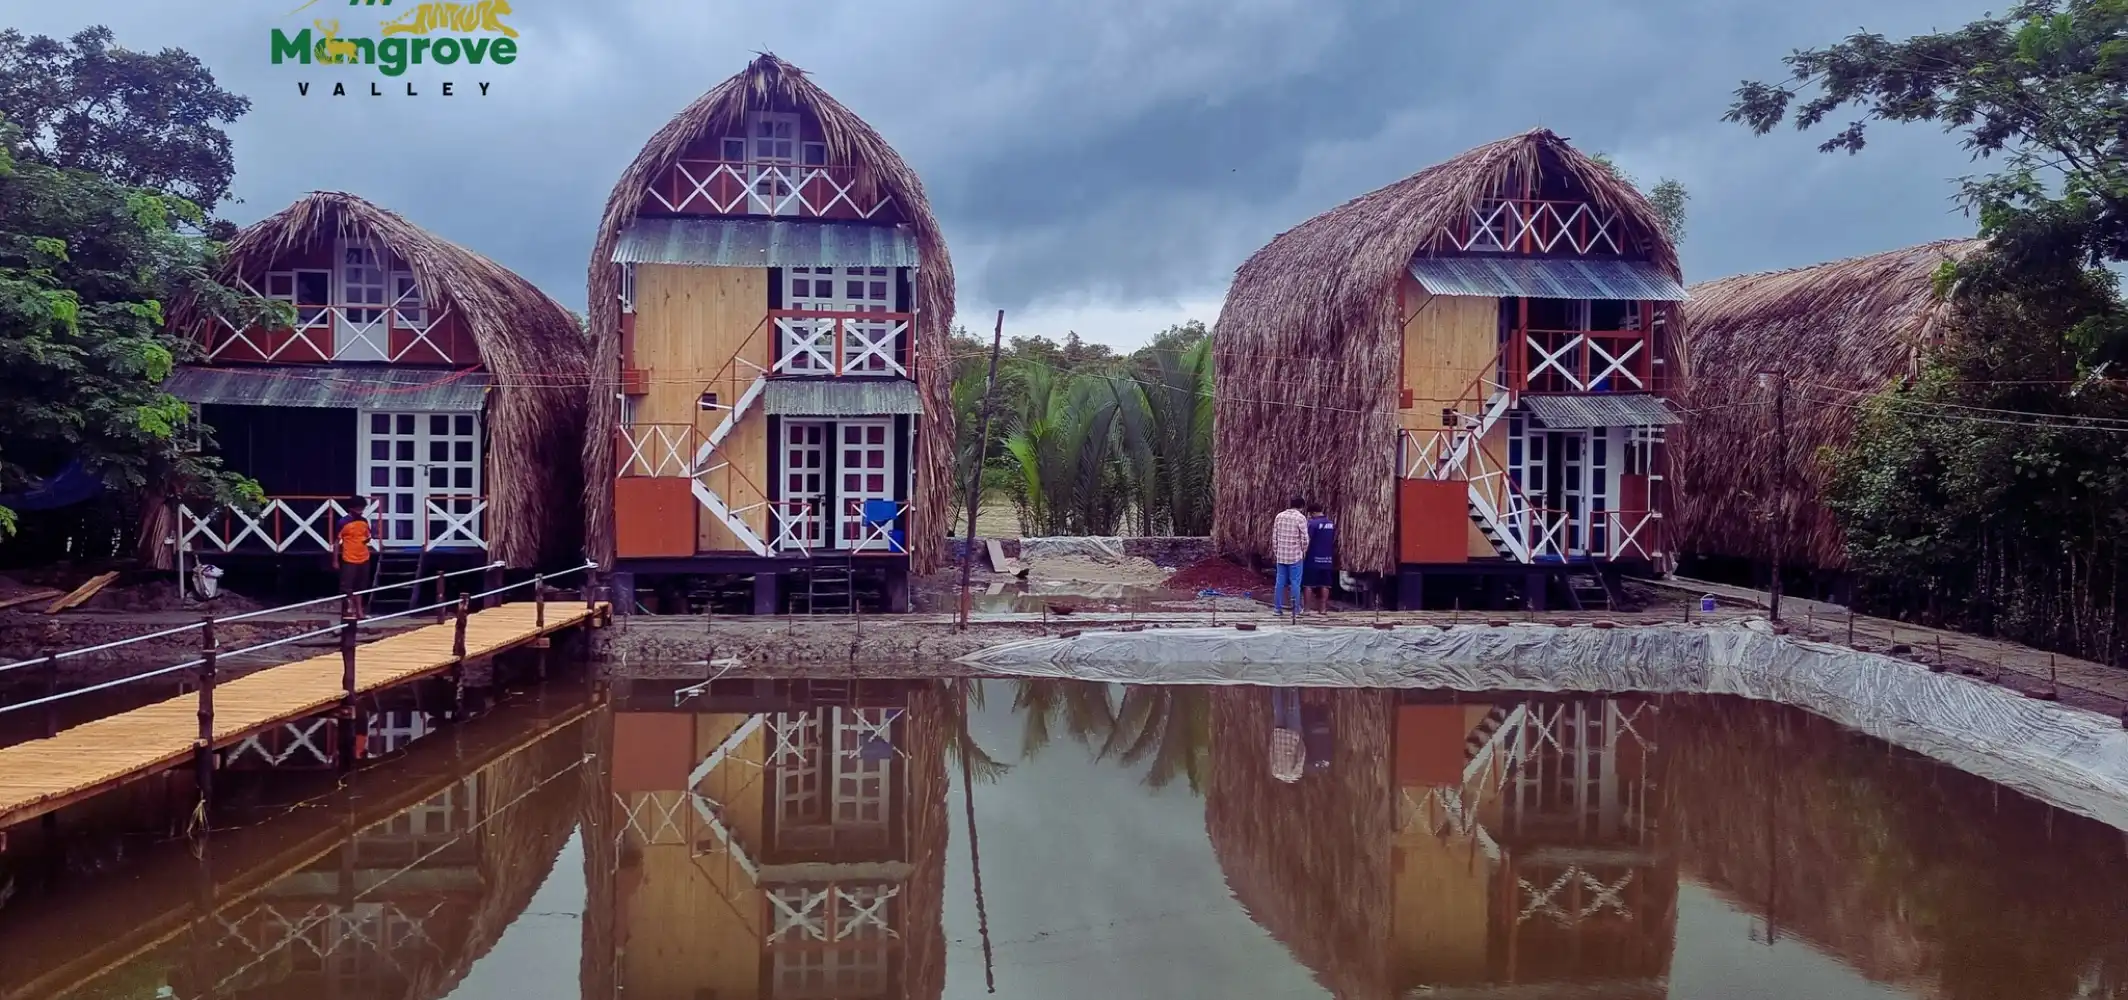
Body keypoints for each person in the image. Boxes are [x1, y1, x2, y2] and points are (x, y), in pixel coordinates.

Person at [335, 496, 375, 616]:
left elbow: (368, 537)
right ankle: (347, 611)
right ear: (351, 508)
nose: (360, 511)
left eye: (361, 509)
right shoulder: (343, 522)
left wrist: (364, 541)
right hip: (349, 558)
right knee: (347, 587)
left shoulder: (364, 521)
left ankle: (359, 611)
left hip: (364, 557)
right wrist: (335, 560)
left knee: (361, 586)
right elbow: (336, 542)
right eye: (358, 508)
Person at [1270, 495, 1308, 618]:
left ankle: (1277, 609)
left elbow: (1274, 537)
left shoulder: (1279, 516)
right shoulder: (1300, 518)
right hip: (1295, 556)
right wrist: (1303, 551)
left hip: (1281, 556)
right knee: (1295, 583)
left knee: (1279, 583)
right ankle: (1296, 610)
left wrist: (1277, 552)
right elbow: (1304, 539)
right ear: (1301, 507)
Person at [1303, 501, 1337, 615]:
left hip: (1313, 559)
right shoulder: (1331, 524)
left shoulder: (1311, 524)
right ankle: (1323, 609)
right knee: (1325, 584)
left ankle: (1307, 609)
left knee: (1308, 584)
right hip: (1327, 560)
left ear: (1312, 513)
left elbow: (1307, 540)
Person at [1268, 686, 1304, 783]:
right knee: (1278, 710)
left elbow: (1301, 754)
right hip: (1278, 736)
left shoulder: (1296, 773)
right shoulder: (1275, 772)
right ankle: (1276, 687)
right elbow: (1271, 750)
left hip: (1293, 737)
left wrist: (1301, 740)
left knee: (1293, 709)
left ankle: (1293, 687)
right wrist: (1273, 737)